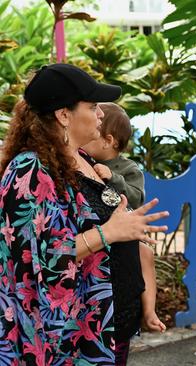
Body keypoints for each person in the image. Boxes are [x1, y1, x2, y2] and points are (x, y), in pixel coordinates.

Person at [0, 63, 168, 364]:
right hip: (67, 341)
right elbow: (35, 257)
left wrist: (130, 227)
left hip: (110, 326)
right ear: (64, 115)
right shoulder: (30, 170)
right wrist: (110, 232)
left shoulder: (82, 158)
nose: (101, 114)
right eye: (92, 107)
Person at [82, 102, 166, 365]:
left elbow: (137, 197)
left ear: (108, 140)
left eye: (96, 132)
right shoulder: (85, 160)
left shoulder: (128, 168)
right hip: (106, 239)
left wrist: (113, 178)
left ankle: (149, 309)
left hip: (128, 230)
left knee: (146, 253)